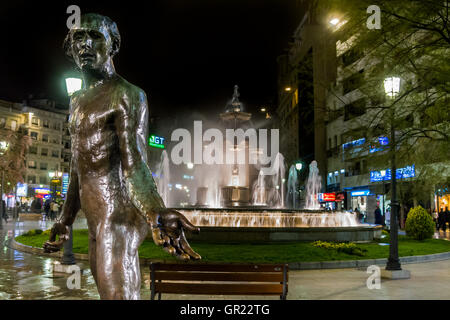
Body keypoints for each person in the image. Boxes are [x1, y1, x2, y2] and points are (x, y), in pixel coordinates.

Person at [43, 13, 200, 300]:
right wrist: (65, 218)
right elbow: (78, 162)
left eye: (95, 37)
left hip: (119, 215)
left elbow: (135, 161)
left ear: (113, 45)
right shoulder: (77, 100)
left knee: (118, 296)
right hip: (96, 217)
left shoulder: (127, 94)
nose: (85, 45)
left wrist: (155, 211)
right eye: (78, 38)